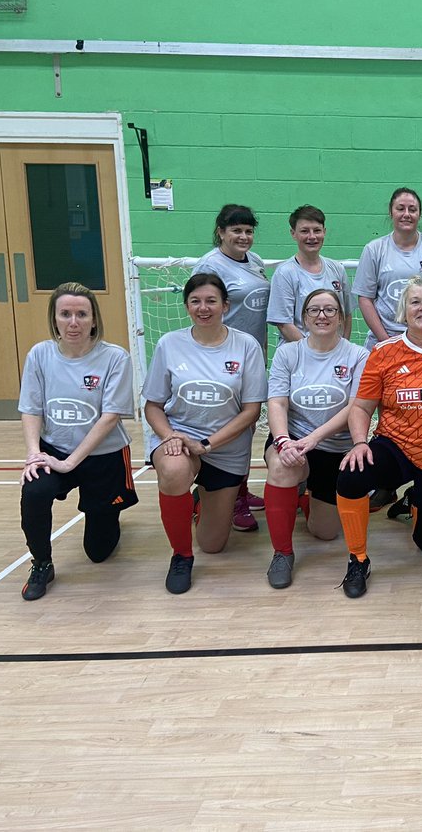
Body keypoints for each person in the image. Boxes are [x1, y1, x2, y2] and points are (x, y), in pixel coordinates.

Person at [333, 277, 422, 598]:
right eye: (415, 302)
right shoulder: (384, 353)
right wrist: (360, 444)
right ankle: (358, 558)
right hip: (395, 445)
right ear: (404, 310)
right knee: (351, 476)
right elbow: (360, 408)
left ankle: (415, 498)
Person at [143, 273, 268, 595]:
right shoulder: (170, 344)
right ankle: (181, 557)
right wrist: (170, 436)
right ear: (186, 306)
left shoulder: (246, 346)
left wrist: (208, 444)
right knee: (173, 471)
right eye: (196, 301)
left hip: (224, 448)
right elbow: (153, 405)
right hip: (179, 438)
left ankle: (197, 501)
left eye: (211, 301)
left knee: (213, 545)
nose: (203, 307)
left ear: (225, 305)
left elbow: (251, 411)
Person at [17, 283, 138, 601]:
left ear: (94, 319)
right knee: (35, 490)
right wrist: (34, 454)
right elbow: (31, 408)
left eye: (82, 314)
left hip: (104, 455)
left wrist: (71, 463)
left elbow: (110, 416)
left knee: (98, 552)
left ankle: (108, 518)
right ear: (54, 319)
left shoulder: (114, 358)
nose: (74, 322)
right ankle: (42, 563)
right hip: (54, 449)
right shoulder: (40, 355)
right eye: (66, 314)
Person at [351, 187, 422, 518]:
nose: (406, 214)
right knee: (387, 411)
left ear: (419, 213)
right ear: (391, 212)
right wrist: (388, 342)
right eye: (400, 208)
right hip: (385, 343)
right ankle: (387, 480)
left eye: (412, 208)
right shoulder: (375, 250)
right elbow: (365, 298)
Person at [262, 288, 369, 589]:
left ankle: (299, 498)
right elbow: (277, 402)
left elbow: (354, 406)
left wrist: (315, 438)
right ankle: (282, 553)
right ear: (304, 317)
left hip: (333, 447)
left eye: (330, 310)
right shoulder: (288, 353)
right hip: (293, 441)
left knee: (325, 532)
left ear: (340, 317)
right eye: (314, 310)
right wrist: (283, 440)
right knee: (284, 467)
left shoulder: (358, 355)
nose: (322, 316)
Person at [193, 204, 271, 532]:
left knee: (246, 428)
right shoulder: (210, 266)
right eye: (236, 230)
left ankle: (238, 489)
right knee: (228, 432)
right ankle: (212, 495)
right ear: (221, 232)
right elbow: (201, 308)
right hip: (221, 361)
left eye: (249, 231)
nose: (243, 236)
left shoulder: (254, 262)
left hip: (251, 358)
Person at [267, 204, 352, 344]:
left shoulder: (337, 269)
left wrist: (341, 350)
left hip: (333, 355)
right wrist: (314, 353)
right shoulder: (284, 273)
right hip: (298, 356)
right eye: (305, 231)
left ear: (324, 232)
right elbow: (284, 325)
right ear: (293, 233)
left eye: (317, 230)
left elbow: (346, 315)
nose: (312, 237)